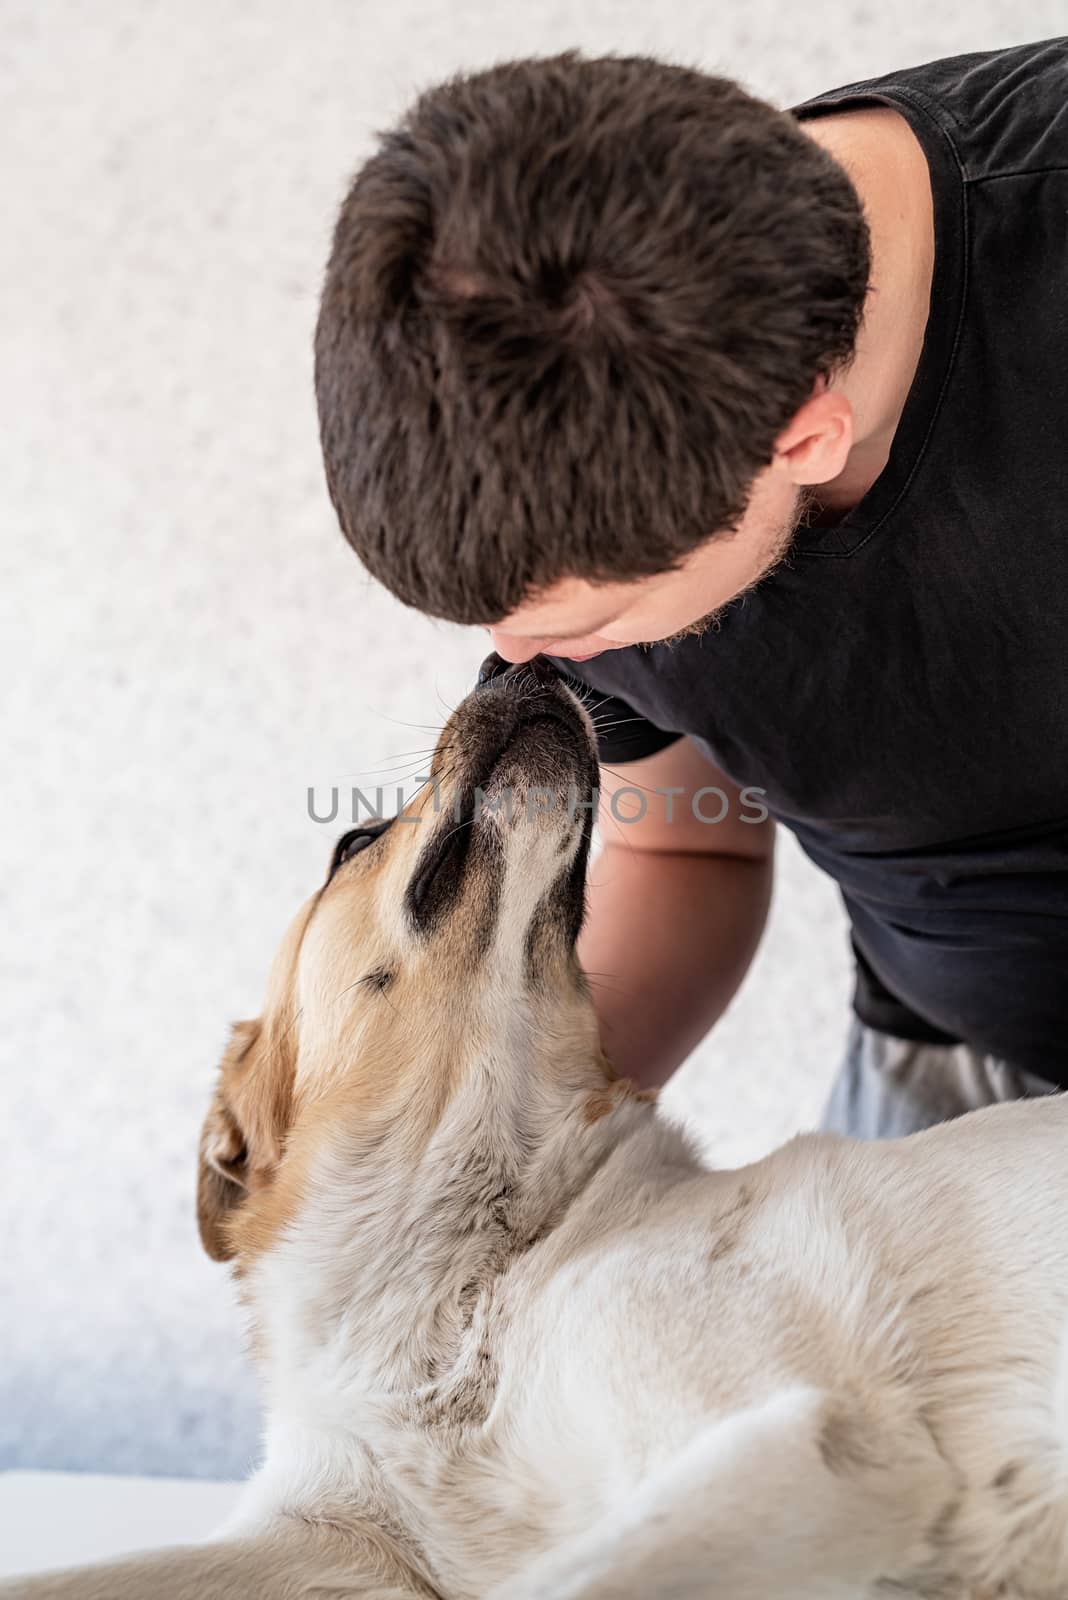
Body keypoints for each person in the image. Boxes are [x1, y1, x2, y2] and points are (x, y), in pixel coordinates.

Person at [312, 40, 1068, 1136]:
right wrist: (511, 1148)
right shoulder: (592, 454)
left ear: (808, 441)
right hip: (951, 1059)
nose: (516, 659)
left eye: (597, 622)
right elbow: (687, 845)